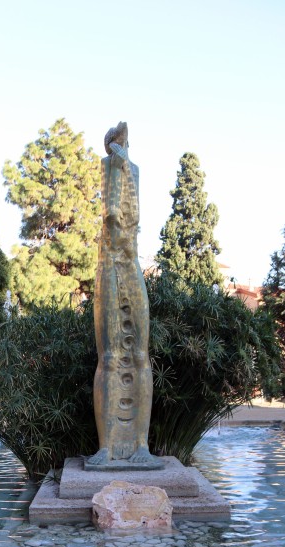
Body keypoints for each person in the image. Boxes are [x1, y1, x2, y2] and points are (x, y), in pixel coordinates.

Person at [87, 122, 161, 468]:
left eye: (124, 142)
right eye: (118, 142)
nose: (123, 145)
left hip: (130, 265)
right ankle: (105, 448)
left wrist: (123, 166)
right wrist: (115, 165)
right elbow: (110, 214)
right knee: (111, 357)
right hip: (109, 269)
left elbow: (129, 216)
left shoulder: (132, 171)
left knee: (140, 356)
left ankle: (141, 447)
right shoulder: (110, 169)